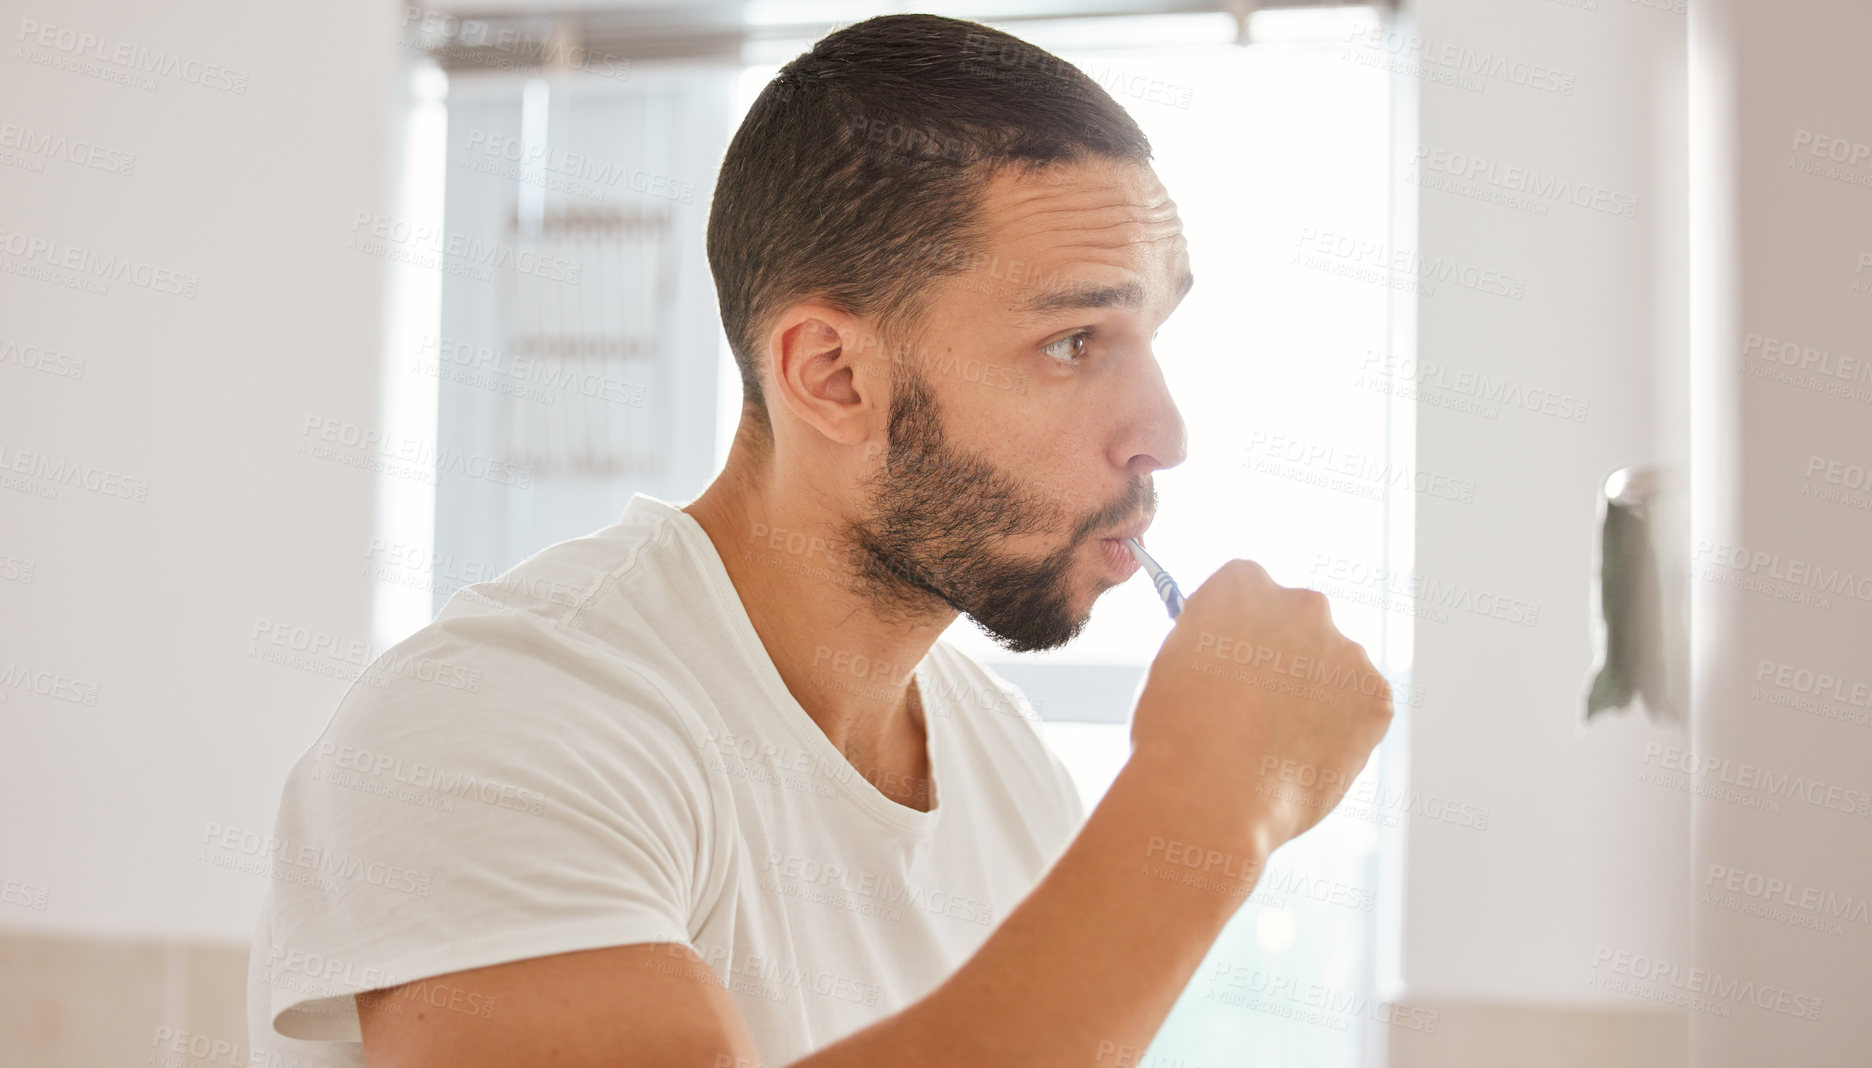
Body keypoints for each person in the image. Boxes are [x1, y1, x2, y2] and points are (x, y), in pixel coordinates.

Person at [245, 13, 1392, 1067]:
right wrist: (1208, 804)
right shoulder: (495, 724)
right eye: (1072, 343)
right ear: (834, 378)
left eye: (1151, 336)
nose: (1163, 435)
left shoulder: (1007, 773)